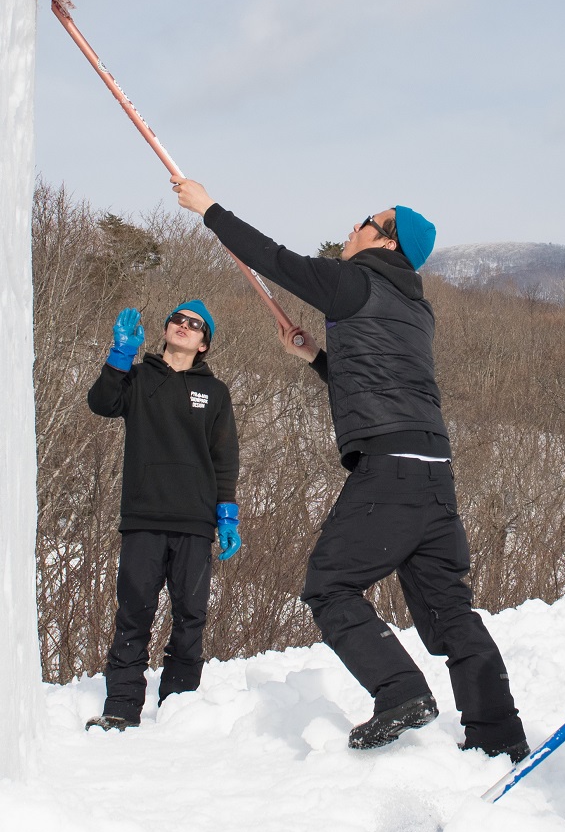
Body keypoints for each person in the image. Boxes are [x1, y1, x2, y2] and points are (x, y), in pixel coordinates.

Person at [170, 177, 529, 759]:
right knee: (448, 609)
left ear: (387, 244)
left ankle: (401, 692)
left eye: (366, 222)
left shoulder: (355, 282)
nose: (353, 227)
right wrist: (314, 356)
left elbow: (272, 259)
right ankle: (497, 738)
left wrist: (208, 209)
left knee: (329, 585)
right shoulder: (416, 308)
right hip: (434, 471)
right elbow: (374, 381)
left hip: (390, 470)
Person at [84, 298, 241, 732]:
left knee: (191, 615)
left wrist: (227, 515)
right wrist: (120, 356)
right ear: (167, 328)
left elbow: (224, 457)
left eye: (196, 325)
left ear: (204, 344)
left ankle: (179, 707)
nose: (185, 326)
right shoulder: (137, 377)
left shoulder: (215, 393)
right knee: (134, 611)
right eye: (178, 319)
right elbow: (101, 403)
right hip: (143, 517)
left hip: (194, 521)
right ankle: (121, 705)